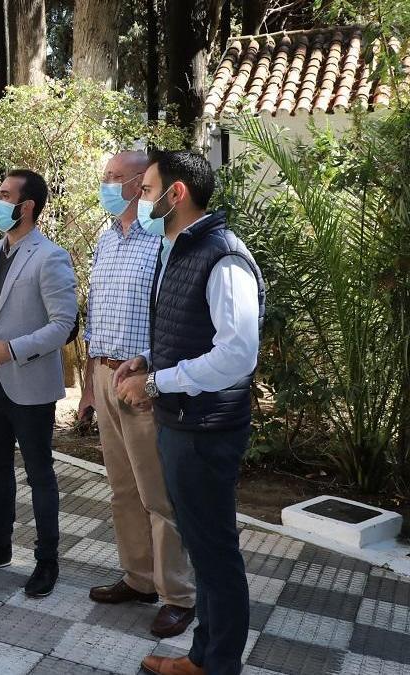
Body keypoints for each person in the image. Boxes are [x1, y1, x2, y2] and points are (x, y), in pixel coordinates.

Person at [114, 151, 263, 675]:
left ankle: (214, 665)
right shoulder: (178, 250)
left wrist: (156, 382)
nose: (140, 197)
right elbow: (191, 335)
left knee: (215, 553)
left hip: (206, 429)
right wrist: (149, 360)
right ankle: (205, 657)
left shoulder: (222, 256)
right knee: (205, 548)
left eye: (149, 189)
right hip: (184, 423)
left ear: (177, 195)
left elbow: (237, 355)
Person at [81, 151, 196, 638]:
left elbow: (174, 318)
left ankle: (178, 594)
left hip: (142, 381)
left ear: (138, 184)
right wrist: (89, 386)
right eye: (104, 177)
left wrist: (147, 369)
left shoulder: (161, 243)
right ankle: (139, 577)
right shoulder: (107, 240)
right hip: (106, 377)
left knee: (158, 494)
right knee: (123, 488)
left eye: (115, 178)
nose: (106, 185)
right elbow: (96, 318)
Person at [0, 169, 77, 598]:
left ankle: (47, 560)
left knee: (39, 474)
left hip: (28, 383)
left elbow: (63, 325)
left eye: (5, 195)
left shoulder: (50, 257)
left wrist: (12, 349)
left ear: (26, 207)